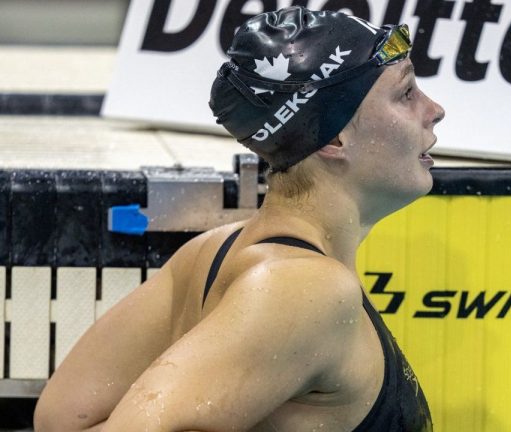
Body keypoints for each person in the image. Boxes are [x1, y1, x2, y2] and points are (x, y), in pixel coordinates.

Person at [34, 6, 444, 431]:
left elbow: (63, 417)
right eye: (406, 93)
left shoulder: (213, 252)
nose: (434, 109)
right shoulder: (308, 290)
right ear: (336, 136)